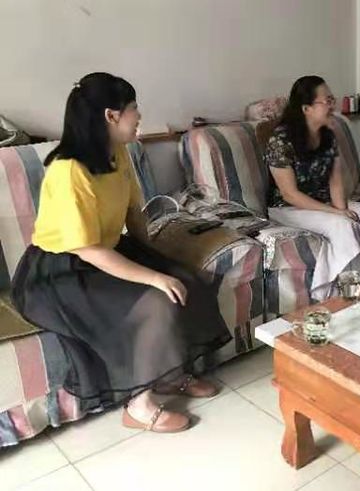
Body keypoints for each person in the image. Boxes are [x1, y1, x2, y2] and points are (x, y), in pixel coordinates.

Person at [11, 73, 231, 434]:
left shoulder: (118, 152)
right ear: (111, 116)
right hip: (61, 271)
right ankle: (139, 407)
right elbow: (87, 249)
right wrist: (153, 276)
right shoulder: (68, 170)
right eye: (134, 108)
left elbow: (133, 212)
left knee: (184, 280)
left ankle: (168, 375)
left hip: (106, 251)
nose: (139, 115)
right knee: (155, 300)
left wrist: (157, 258)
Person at [265, 75, 360, 299]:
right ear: (306, 108)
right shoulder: (280, 141)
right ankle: (346, 294)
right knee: (341, 224)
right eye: (327, 101)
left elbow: (335, 180)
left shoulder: (328, 136)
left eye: (332, 99)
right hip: (287, 208)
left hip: (322, 201)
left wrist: (342, 208)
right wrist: (336, 213)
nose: (333, 106)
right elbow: (289, 194)